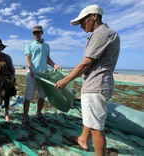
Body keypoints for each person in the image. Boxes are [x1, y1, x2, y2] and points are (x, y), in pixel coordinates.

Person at [55, 4, 120, 156]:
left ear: (94, 16)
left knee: (96, 128)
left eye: (83, 22)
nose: (81, 26)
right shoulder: (105, 34)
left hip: (96, 86)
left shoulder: (102, 33)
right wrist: (76, 71)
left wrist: (66, 80)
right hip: (97, 83)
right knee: (90, 119)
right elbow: (94, 62)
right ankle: (83, 140)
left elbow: (86, 63)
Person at [22, 25, 62, 130]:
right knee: (28, 96)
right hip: (32, 74)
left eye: (38, 32)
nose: (36, 34)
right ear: (32, 34)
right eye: (34, 33)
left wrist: (55, 65)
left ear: (42, 33)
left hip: (43, 75)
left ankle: (38, 114)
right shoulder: (29, 45)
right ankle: (25, 118)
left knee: (42, 95)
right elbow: (28, 58)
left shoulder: (47, 46)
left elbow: (47, 59)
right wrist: (30, 69)